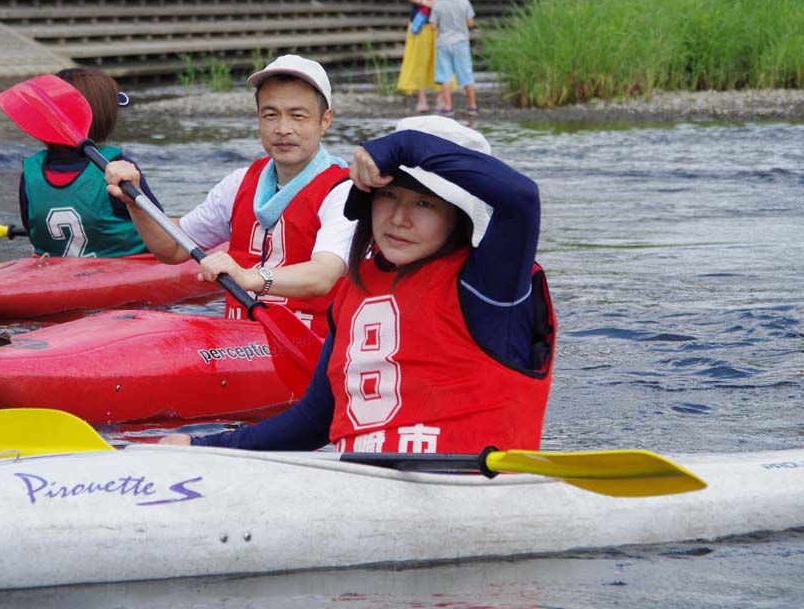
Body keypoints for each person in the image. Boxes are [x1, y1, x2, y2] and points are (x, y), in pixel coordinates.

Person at [160, 115, 556, 454]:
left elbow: (521, 199)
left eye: (424, 204)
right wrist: (204, 448)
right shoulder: (353, 291)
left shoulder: (489, 283)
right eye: (389, 196)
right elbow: (314, 421)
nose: (399, 218)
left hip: (471, 490)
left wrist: (405, 146)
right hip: (365, 486)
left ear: (458, 217)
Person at [105, 55, 355, 338]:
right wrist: (134, 201)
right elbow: (172, 249)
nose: (283, 128)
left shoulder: (344, 191)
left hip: (311, 347)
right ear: (258, 118)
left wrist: (249, 277)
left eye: (298, 116)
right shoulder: (238, 183)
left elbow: (323, 275)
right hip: (239, 344)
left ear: (325, 121)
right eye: (270, 115)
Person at [18, 68, 157, 258]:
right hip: (125, 269)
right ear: (106, 117)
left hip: (54, 272)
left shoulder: (30, 171)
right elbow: (161, 233)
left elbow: (32, 231)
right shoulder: (117, 167)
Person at [428, 0, 478, 115]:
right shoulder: (464, 2)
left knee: (445, 77)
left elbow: (433, 26)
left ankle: (448, 107)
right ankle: (472, 106)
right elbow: (470, 23)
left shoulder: (437, 5)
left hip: (443, 43)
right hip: (461, 42)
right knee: (466, 75)